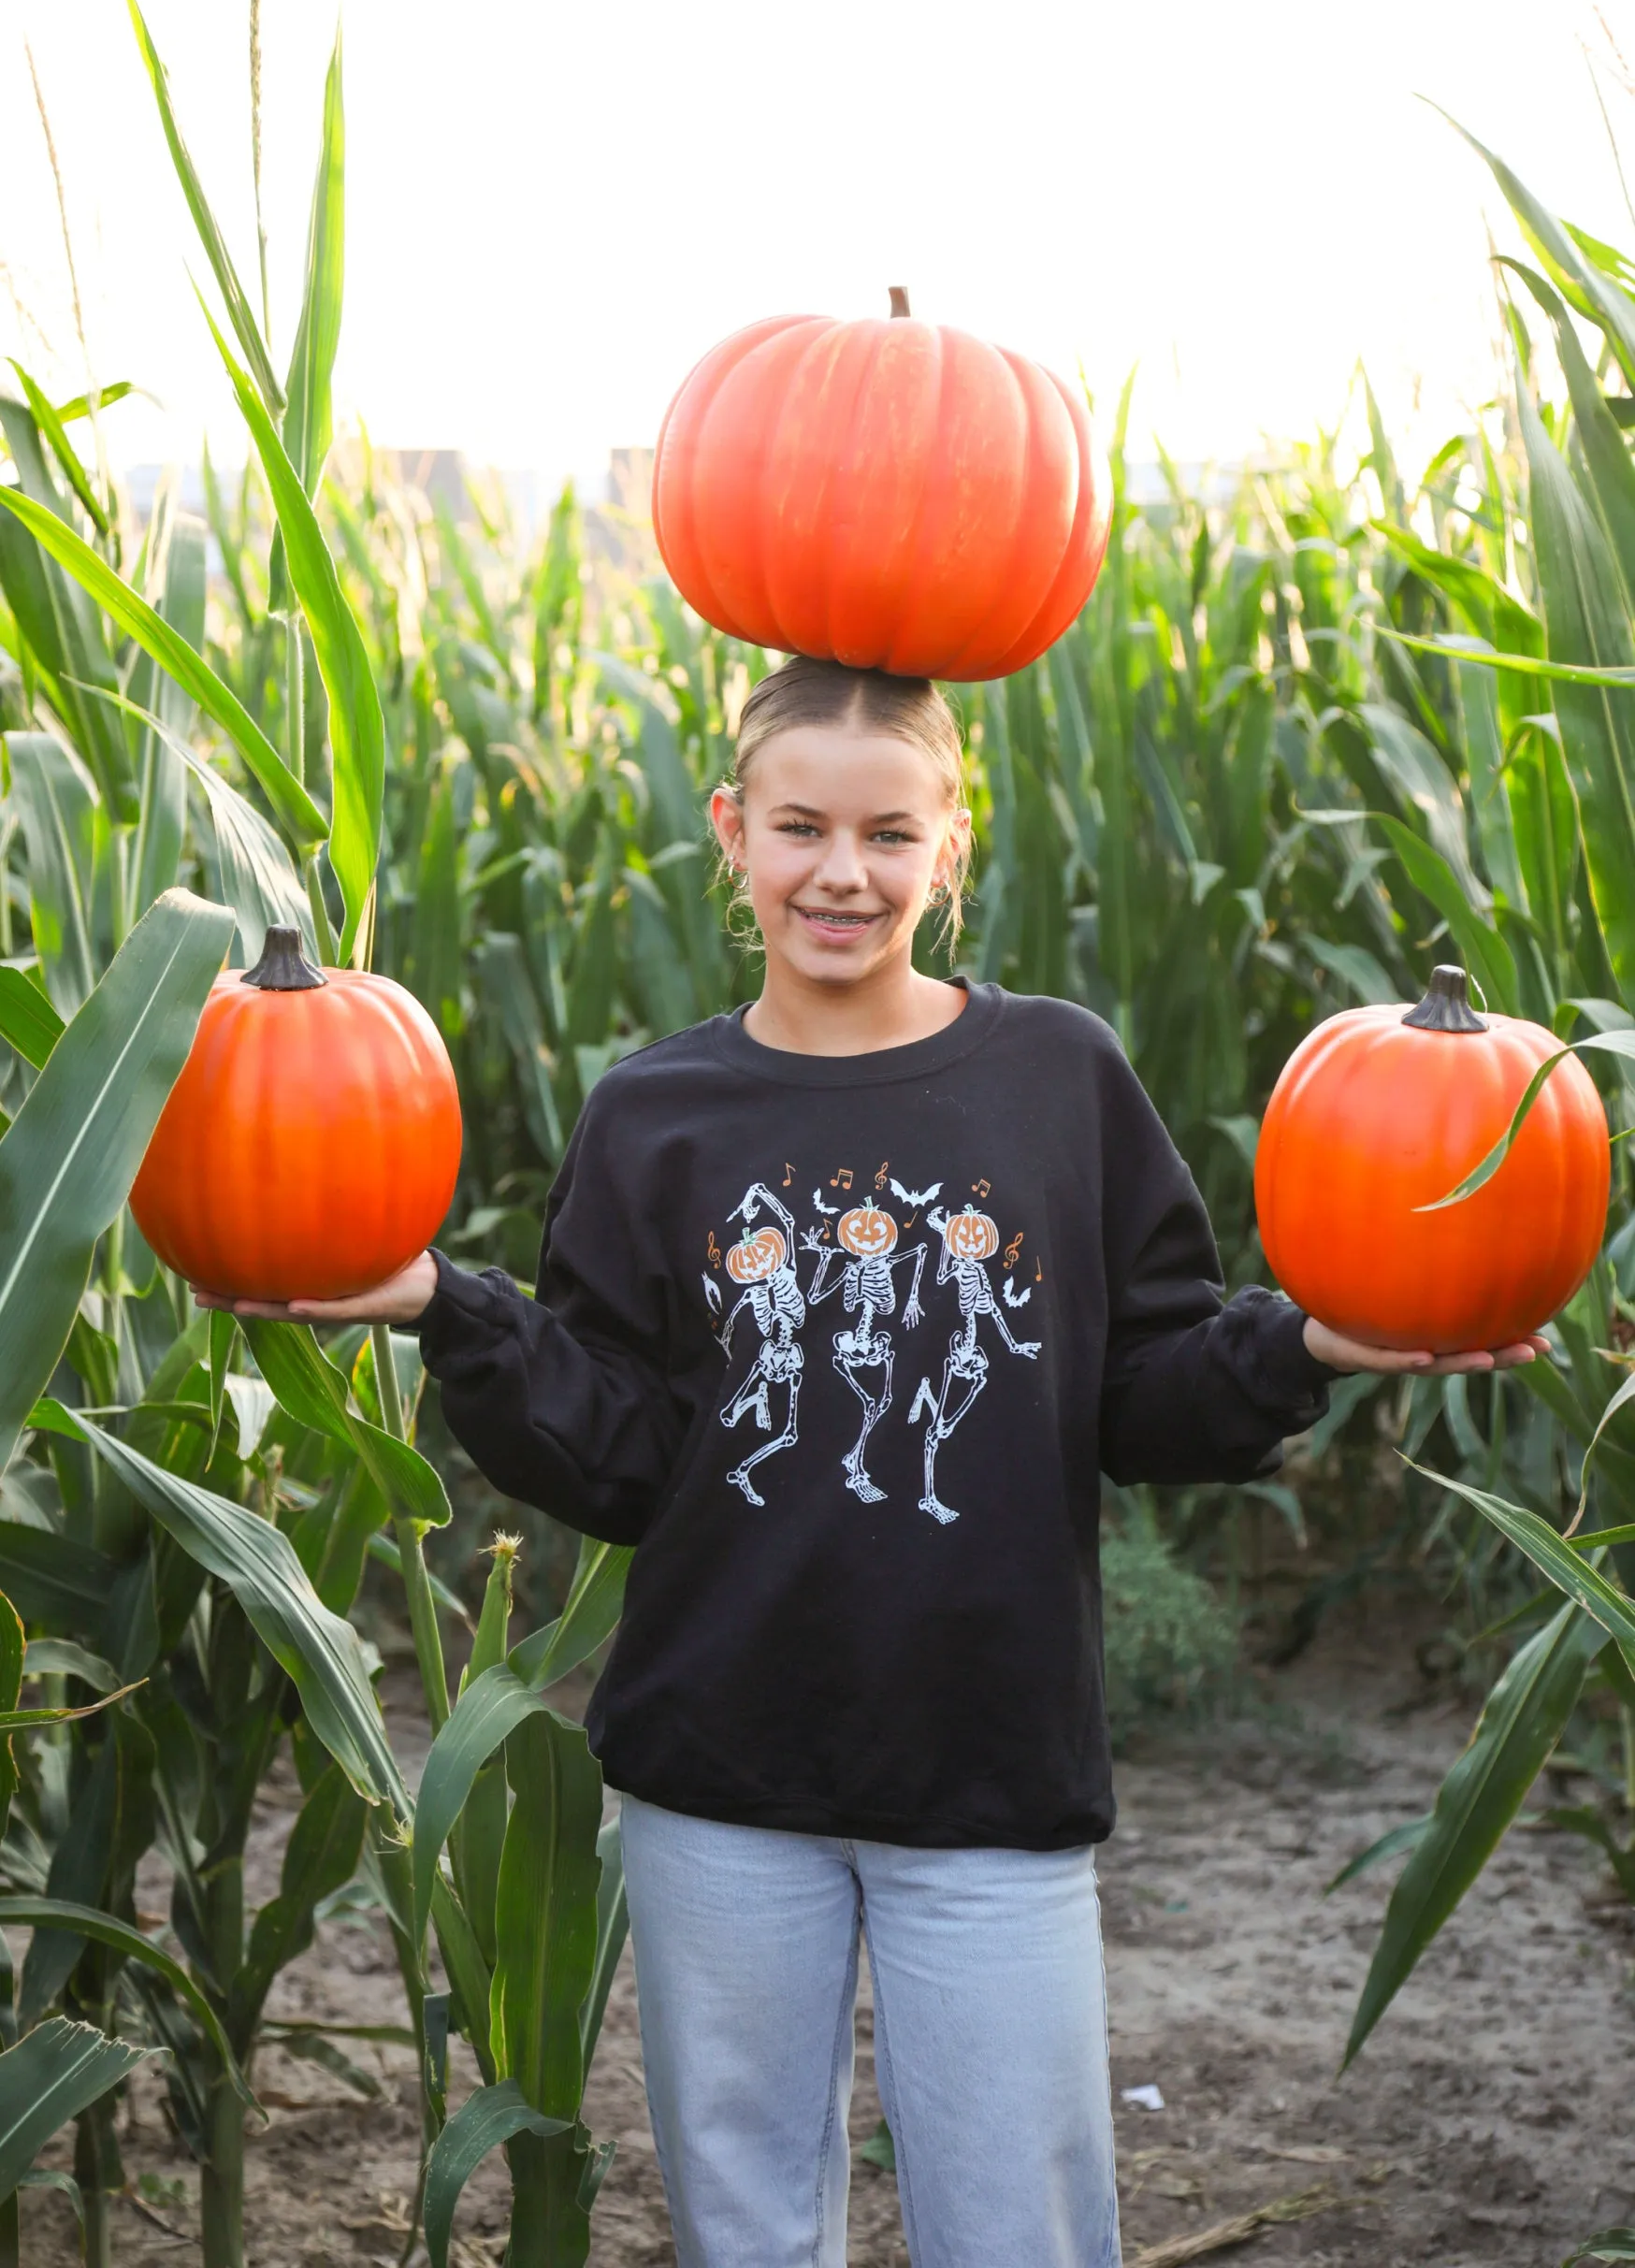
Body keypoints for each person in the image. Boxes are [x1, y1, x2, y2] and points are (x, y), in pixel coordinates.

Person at [200, 656, 1547, 2268]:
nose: (843, 873)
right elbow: (624, 1454)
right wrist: (448, 1307)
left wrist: (1312, 1345)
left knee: (1021, 2226)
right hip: (722, 1768)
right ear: (733, 830)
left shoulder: (1060, 1080)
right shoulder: (658, 1113)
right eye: (801, 828)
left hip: (989, 1765)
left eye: (890, 834)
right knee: (746, 2221)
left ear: (950, 842)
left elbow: (1138, 1394)